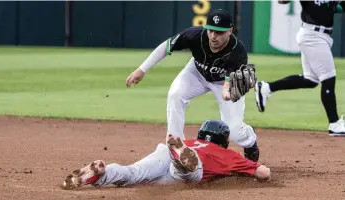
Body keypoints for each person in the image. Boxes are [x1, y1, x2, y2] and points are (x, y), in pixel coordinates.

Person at [125, 9, 260, 162]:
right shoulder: (195, 35)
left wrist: (228, 93)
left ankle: (249, 139)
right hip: (196, 72)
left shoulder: (238, 52)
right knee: (176, 94)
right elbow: (167, 46)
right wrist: (142, 69)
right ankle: (176, 148)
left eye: (219, 32)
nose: (214, 36)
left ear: (230, 31)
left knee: (235, 131)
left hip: (223, 83)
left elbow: (227, 87)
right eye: (211, 31)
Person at [62, 120, 271, 190]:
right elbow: (263, 173)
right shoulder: (228, 155)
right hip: (192, 166)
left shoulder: (191, 141)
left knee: (134, 172)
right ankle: (182, 160)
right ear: (223, 140)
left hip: (163, 152)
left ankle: (101, 174)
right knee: (187, 174)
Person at [255, 1, 345, 136]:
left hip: (321, 36)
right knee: (328, 78)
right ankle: (334, 123)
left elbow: (336, 8)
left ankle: (267, 87)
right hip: (312, 35)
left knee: (310, 80)